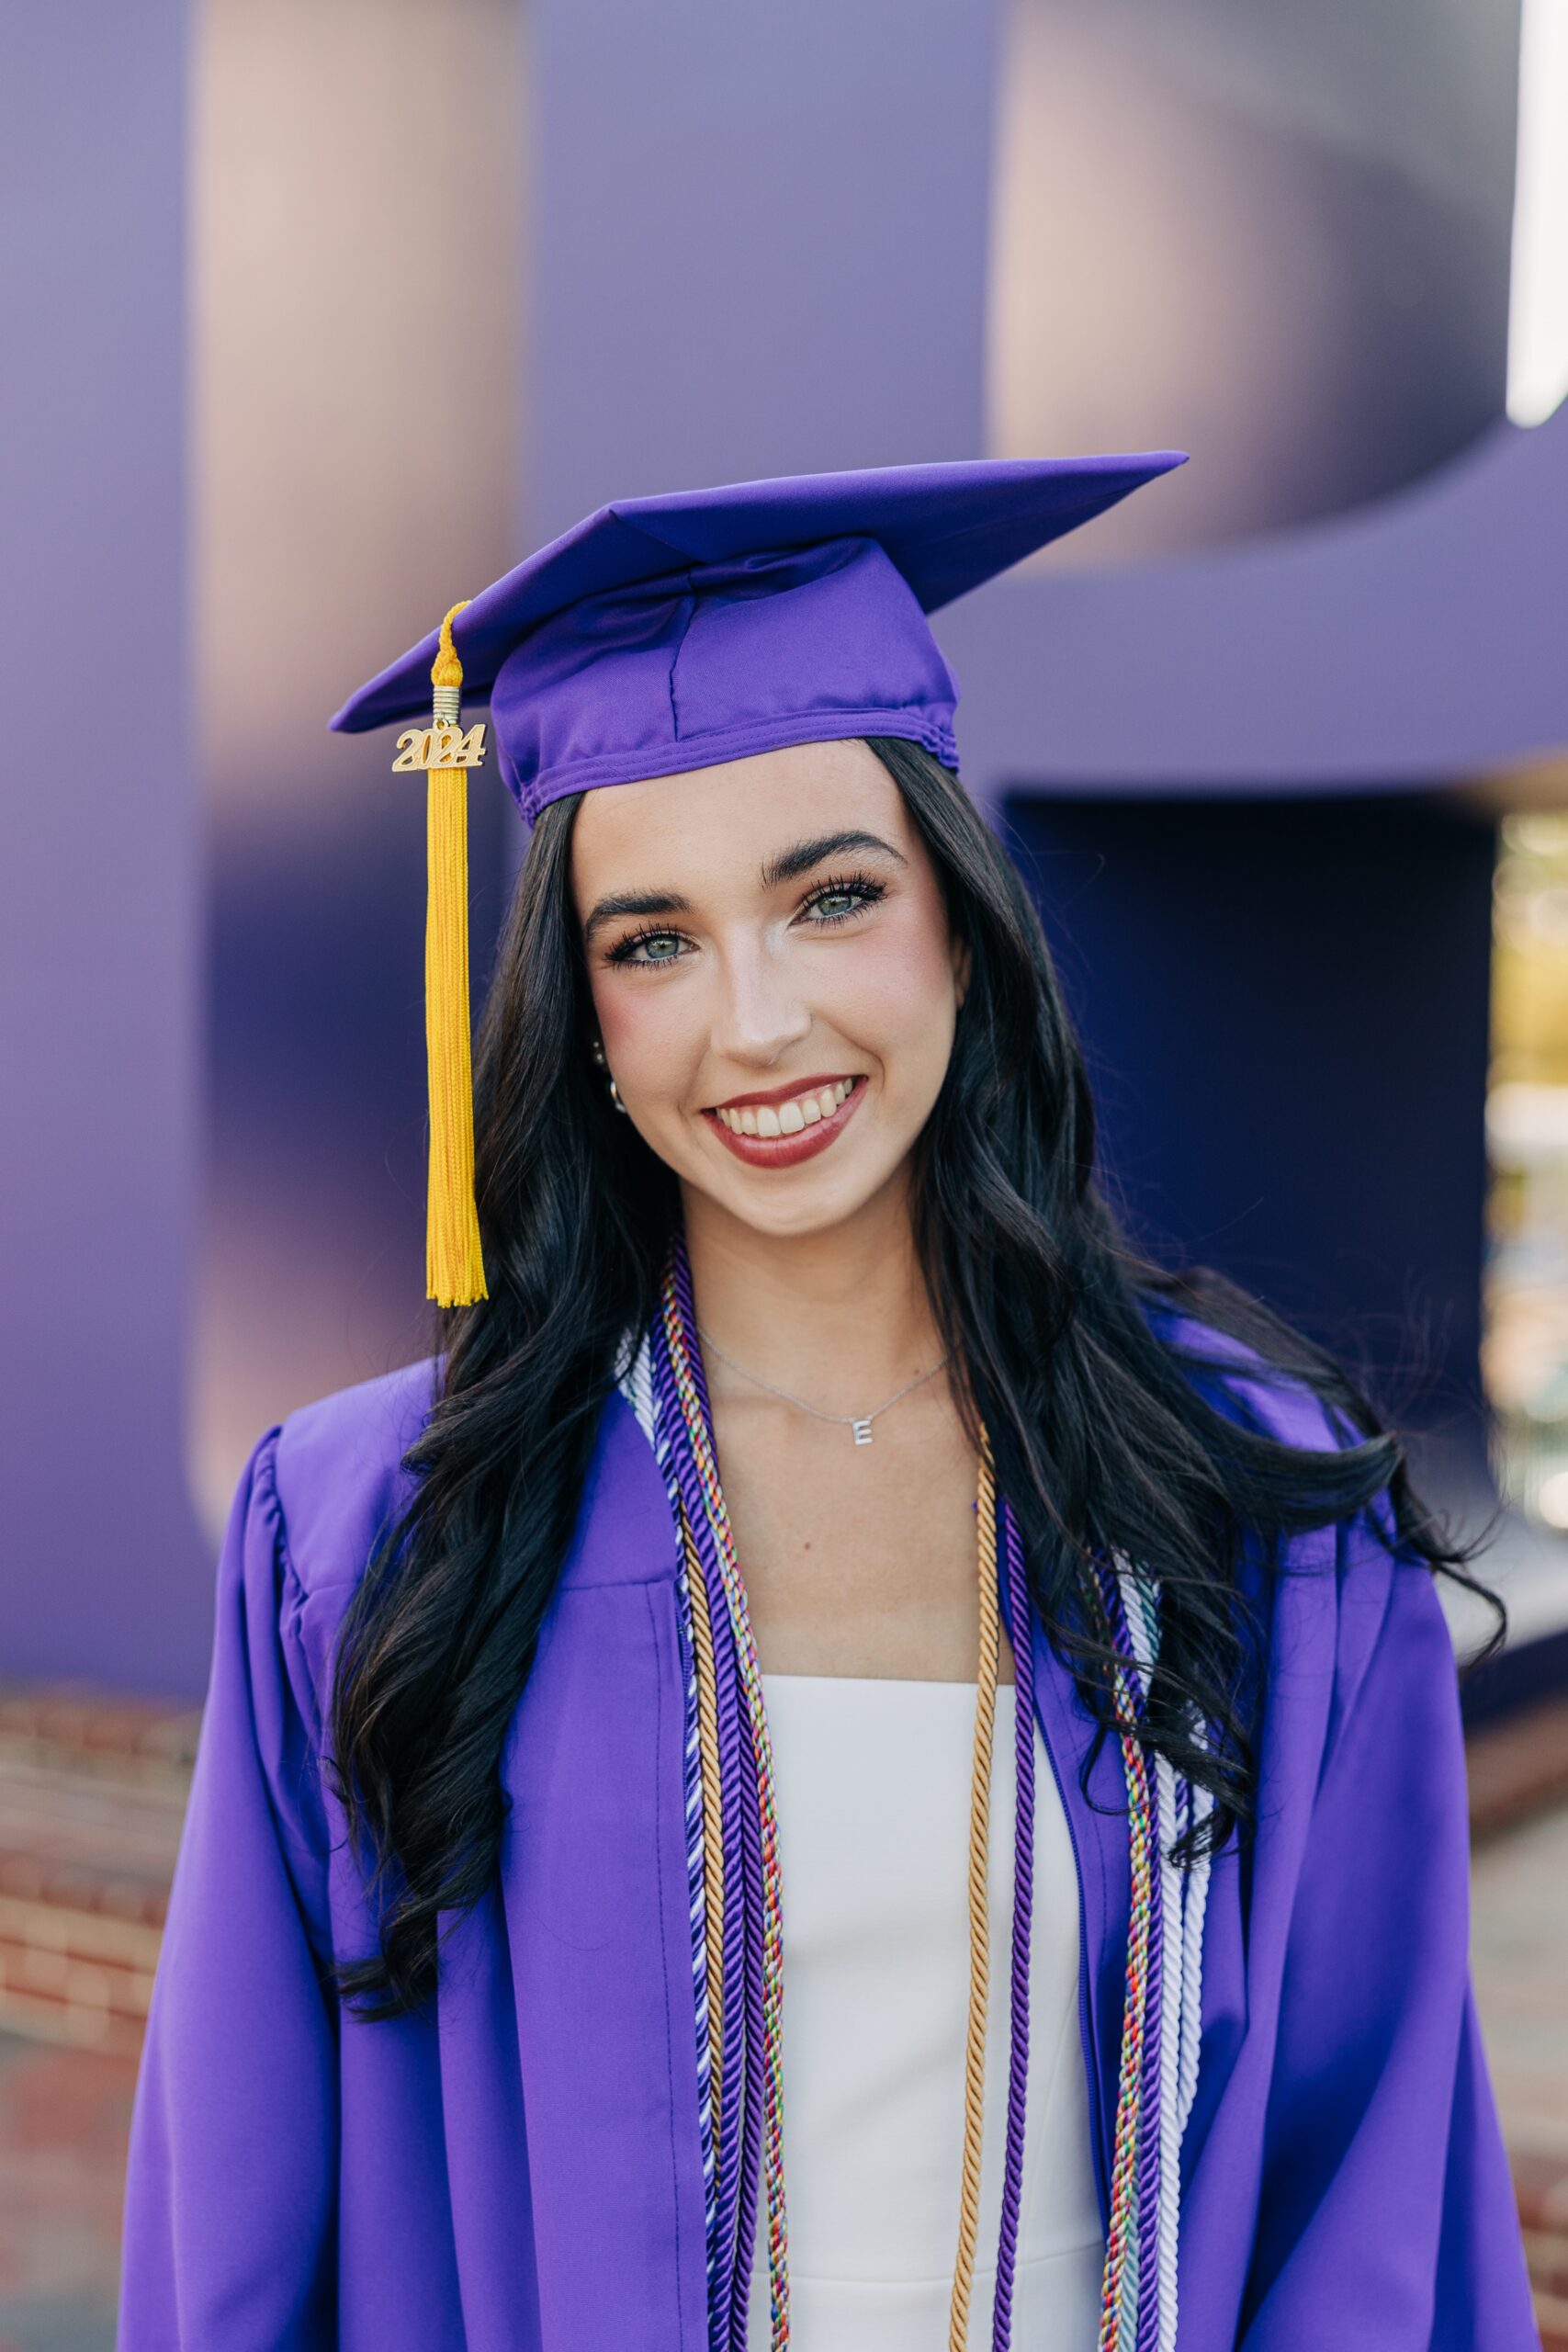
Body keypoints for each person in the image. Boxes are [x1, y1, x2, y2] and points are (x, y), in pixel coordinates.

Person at [118, 460, 1538, 2352]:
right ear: (586, 1016)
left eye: (829, 896)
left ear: (957, 921)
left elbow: (1366, 2210)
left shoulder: (1245, 1505)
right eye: (654, 941)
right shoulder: (379, 1525)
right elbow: (244, 2217)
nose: (758, 1020)